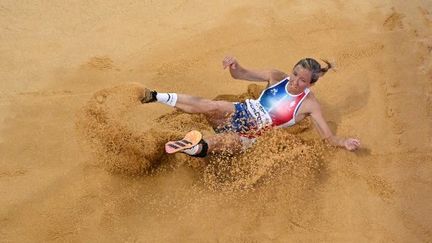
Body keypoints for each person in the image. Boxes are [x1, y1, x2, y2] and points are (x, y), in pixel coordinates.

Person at [141, 56, 361, 157]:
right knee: (213, 106)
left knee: (224, 141)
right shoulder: (276, 77)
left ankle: (193, 148)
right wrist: (233, 66)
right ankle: (156, 96)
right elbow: (241, 74)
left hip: (252, 134)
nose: (295, 81)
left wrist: (344, 142)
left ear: (311, 83)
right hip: (240, 111)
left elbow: (328, 138)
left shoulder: (310, 105)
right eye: (295, 74)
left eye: (302, 80)